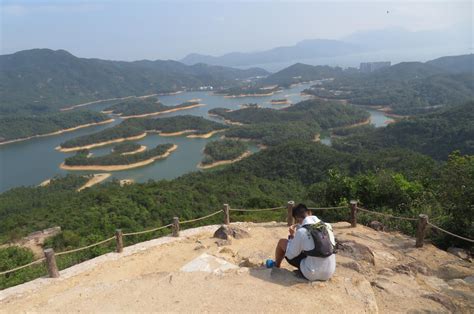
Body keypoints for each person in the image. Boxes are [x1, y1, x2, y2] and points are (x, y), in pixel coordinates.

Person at [274, 203, 336, 281]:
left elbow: (290, 255)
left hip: (311, 274)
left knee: (282, 242)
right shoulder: (327, 225)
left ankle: (276, 265)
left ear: (296, 219)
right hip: (329, 272)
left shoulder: (301, 232)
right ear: (310, 212)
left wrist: (292, 236)